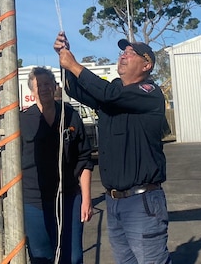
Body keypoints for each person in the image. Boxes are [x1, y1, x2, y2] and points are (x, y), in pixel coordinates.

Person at [53, 33, 171, 264]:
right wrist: (64, 60)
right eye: (122, 52)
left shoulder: (149, 92)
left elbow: (109, 94)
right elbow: (76, 90)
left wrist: (75, 65)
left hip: (142, 202)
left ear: (147, 65)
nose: (123, 56)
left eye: (131, 52)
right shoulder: (114, 93)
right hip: (114, 202)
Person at [21, 66, 94, 264]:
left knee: (73, 256)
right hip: (34, 201)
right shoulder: (23, 120)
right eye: (38, 85)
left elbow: (84, 159)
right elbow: (10, 165)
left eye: (47, 84)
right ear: (32, 90)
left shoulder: (70, 116)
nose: (44, 88)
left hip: (69, 198)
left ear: (55, 86)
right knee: (42, 256)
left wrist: (86, 199)